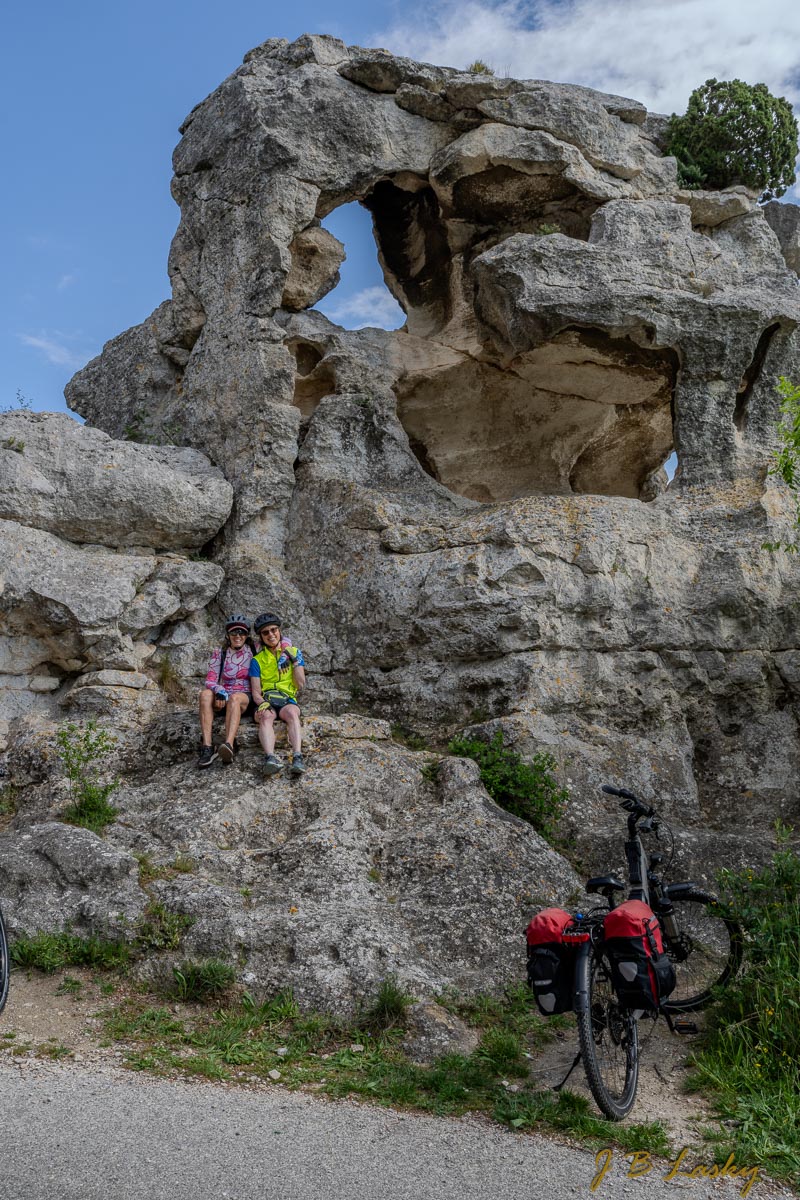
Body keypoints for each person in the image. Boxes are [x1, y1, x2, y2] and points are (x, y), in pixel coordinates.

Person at [250, 612, 306, 776]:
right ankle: (270, 758)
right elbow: (256, 691)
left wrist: (294, 661)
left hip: (287, 698)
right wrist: (262, 703)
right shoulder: (257, 660)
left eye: (273, 630)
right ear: (261, 636)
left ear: (279, 631)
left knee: (292, 713)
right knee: (265, 716)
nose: (271, 634)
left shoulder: (294, 652)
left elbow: (300, 684)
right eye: (265, 632)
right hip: (267, 699)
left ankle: (297, 757)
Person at [198, 615, 254, 768]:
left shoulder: (254, 649)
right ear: (228, 635)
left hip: (244, 697)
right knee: (205, 694)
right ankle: (207, 747)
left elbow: (280, 641)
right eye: (234, 632)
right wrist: (219, 690)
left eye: (241, 632)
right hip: (223, 695)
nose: (238, 636)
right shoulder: (220, 653)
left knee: (235, 698)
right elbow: (210, 680)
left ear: (247, 635)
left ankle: (228, 745)